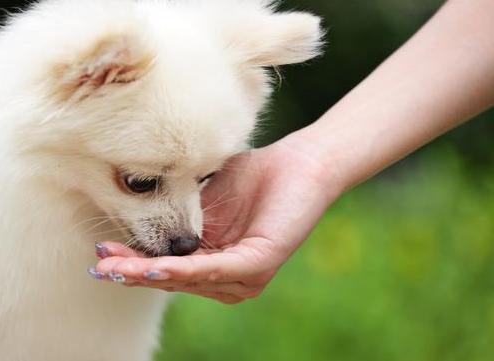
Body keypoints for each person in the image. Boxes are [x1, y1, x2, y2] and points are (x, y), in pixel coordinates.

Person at [92, 0, 494, 304]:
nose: (188, 235)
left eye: (204, 177)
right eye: (142, 182)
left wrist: (315, 162)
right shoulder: (100, 63)